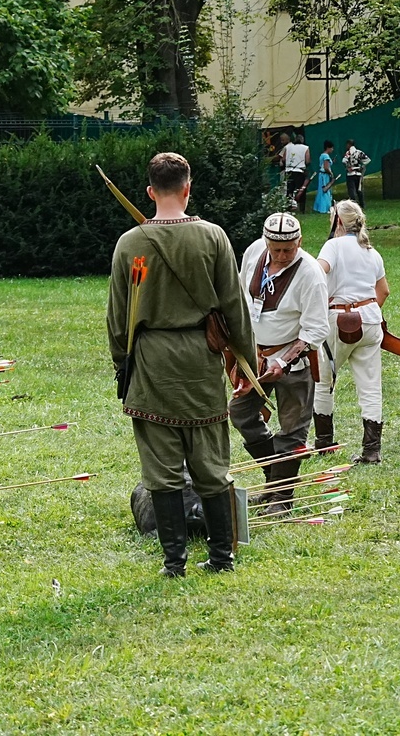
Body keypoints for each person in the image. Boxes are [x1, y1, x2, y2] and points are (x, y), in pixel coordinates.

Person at [107, 152, 255, 576]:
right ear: (187, 188)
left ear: (150, 191)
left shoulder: (130, 243)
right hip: (200, 361)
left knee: (161, 469)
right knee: (211, 464)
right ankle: (222, 558)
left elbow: (118, 317)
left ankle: (174, 563)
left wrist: (123, 363)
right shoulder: (213, 237)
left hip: (151, 363)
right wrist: (246, 363)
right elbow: (235, 307)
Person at [233, 212, 330, 515]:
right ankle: (273, 481)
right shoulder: (254, 252)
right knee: (240, 413)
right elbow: (241, 300)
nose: (282, 255)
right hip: (256, 358)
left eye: (288, 249)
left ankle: (282, 499)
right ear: (266, 242)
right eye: (275, 249)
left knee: (292, 430)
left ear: (299, 241)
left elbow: (316, 329)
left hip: (295, 364)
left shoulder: (311, 274)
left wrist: (284, 362)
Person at [315, 200, 390, 463]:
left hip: (337, 319)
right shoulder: (372, 252)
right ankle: (372, 450)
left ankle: (324, 443)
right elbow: (383, 291)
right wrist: (365, 311)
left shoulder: (333, 246)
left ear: (338, 221)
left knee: (323, 381)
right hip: (370, 320)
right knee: (370, 386)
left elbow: (316, 273)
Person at [282, 132, 310, 212]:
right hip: (299, 170)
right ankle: (301, 209)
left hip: (289, 171)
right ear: (302, 140)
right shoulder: (305, 148)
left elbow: (283, 159)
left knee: (289, 190)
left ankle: (288, 207)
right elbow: (307, 161)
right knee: (301, 190)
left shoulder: (288, 147)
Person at [341, 140, 371, 207]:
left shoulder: (348, 153)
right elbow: (367, 160)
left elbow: (344, 161)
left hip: (350, 174)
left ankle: (353, 204)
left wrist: (348, 167)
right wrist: (361, 166)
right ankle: (362, 204)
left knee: (351, 190)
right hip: (358, 174)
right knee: (359, 189)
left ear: (349, 144)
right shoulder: (359, 152)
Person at [312, 141, 336, 215]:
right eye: (331, 148)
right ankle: (325, 208)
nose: (332, 150)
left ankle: (319, 207)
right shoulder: (326, 156)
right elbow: (326, 167)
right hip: (325, 176)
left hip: (321, 175)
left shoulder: (322, 155)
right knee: (325, 190)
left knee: (321, 191)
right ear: (328, 148)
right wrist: (331, 173)